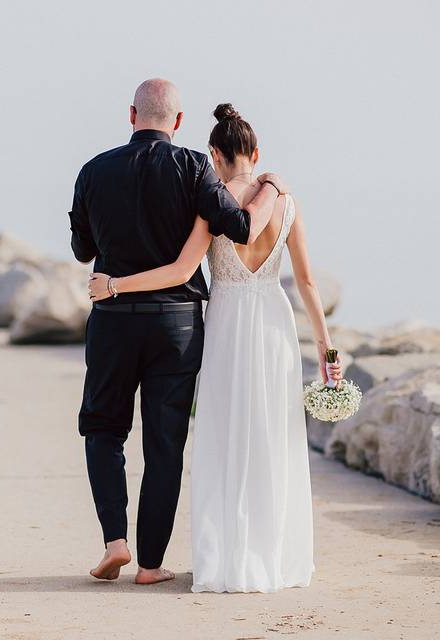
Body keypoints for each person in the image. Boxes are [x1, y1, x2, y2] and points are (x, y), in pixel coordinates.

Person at [87, 102, 342, 591]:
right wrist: (328, 352)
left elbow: (182, 272)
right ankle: (272, 557)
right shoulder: (285, 200)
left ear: (214, 154)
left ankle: (223, 559)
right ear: (256, 151)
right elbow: (307, 282)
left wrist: (116, 284)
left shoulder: (213, 201)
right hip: (273, 325)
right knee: (272, 437)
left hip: (226, 324)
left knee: (221, 439)